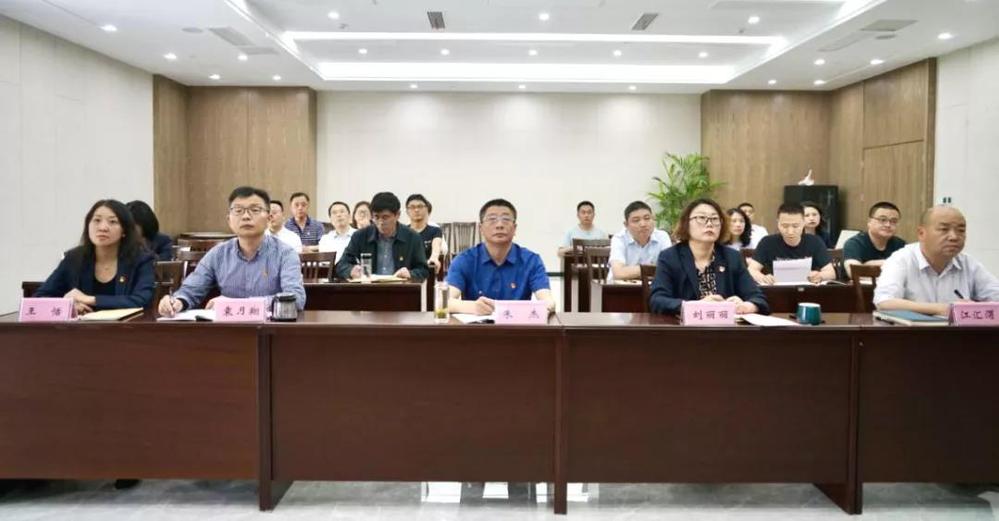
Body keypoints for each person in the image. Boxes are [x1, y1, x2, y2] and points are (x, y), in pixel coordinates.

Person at [158, 186, 306, 316]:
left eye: (255, 210)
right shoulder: (218, 254)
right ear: (229, 220)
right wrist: (176, 302)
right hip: (228, 332)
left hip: (270, 330)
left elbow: (295, 299)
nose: (246, 216)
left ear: (268, 219)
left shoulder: (285, 254)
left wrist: (234, 305)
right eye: (238, 211)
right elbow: (191, 289)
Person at [649, 199, 768, 315]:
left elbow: (758, 298)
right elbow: (657, 300)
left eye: (715, 219)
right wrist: (696, 306)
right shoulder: (670, 257)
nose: (709, 223)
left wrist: (746, 306)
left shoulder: (732, 257)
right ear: (686, 223)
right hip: (684, 326)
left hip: (724, 326)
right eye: (701, 218)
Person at [874, 205, 999, 316]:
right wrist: (943, 309)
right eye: (944, 229)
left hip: (959, 334)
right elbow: (884, 301)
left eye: (961, 230)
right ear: (921, 233)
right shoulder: (902, 259)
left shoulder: (968, 263)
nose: (954, 237)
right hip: (913, 333)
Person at [35, 199, 155, 314]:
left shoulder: (141, 260)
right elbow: (40, 297)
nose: (102, 228)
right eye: (97, 220)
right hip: (82, 327)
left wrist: (90, 299)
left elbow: (142, 300)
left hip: (127, 327)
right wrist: (68, 306)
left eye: (112, 222)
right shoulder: (73, 259)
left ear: (124, 230)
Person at [446, 198, 555, 315]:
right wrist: (472, 307)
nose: (499, 225)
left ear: (514, 228)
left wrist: (546, 307)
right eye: (492, 219)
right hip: (477, 325)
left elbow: (548, 302)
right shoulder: (464, 260)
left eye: (506, 219)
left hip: (517, 325)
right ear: (481, 228)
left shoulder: (531, 260)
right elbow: (444, 301)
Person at [335, 192, 429, 282]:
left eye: (385, 217)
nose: (380, 222)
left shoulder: (412, 237)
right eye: (376, 217)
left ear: (397, 215)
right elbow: (341, 265)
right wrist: (351, 270)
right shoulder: (360, 236)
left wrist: (410, 274)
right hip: (369, 288)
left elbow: (423, 270)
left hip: (400, 289)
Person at [748, 202, 836, 284]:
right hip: (777, 290)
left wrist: (820, 276)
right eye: (785, 226)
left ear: (803, 223)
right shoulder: (767, 242)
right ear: (778, 223)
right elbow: (751, 270)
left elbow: (831, 273)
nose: (790, 231)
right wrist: (763, 278)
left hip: (807, 289)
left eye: (795, 226)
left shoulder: (815, 242)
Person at [609, 201, 672, 282]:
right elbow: (619, 273)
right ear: (626, 225)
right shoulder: (619, 238)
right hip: (620, 286)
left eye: (647, 218)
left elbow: (669, 268)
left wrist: (632, 271)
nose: (643, 224)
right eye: (636, 220)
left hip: (653, 286)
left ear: (653, 219)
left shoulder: (662, 236)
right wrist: (652, 269)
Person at [843, 201, 906, 277]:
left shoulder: (901, 245)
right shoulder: (854, 243)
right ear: (869, 222)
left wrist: (868, 265)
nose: (888, 225)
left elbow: (911, 269)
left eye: (893, 221)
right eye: (883, 220)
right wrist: (894, 264)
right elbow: (854, 272)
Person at [405, 193, 444, 274]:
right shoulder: (403, 232)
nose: (416, 210)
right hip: (405, 273)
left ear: (427, 209)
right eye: (412, 207)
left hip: (426, 271)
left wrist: (434, 258)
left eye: (420, 206)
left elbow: (436, 246)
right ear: (407, 211)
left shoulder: (435, 230)